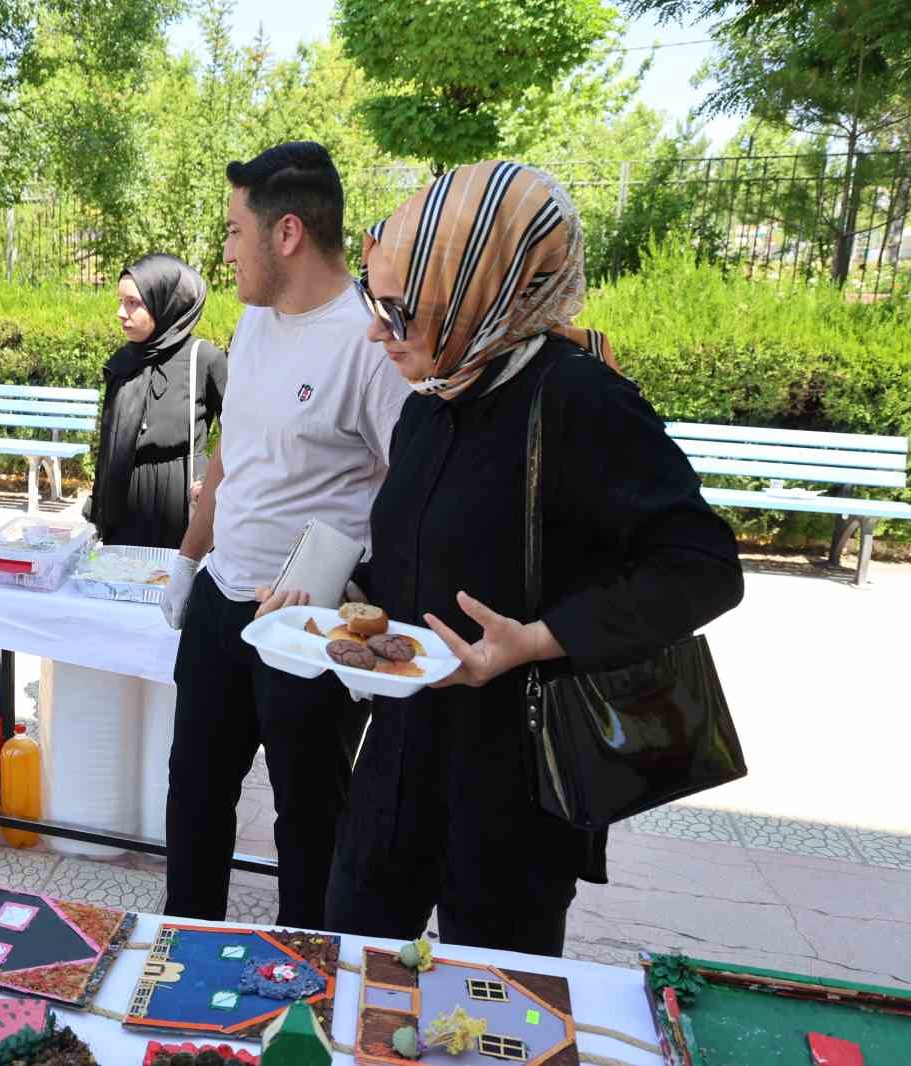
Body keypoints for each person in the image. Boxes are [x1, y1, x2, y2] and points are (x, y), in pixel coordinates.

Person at [262, 160, 745, 955]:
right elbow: (419, 563)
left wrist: (539, 637)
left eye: (402, 313)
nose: (378, 336)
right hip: (401, 749)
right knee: (352, 962)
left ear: (480, 293)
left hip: (513, 773)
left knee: (493, 1008)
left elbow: (702, 565)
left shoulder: (579, 400)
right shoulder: (434, 399)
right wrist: (331, 598)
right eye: (375, 309)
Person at [156, 142, 411, 928]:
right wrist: (189, 558)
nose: (226, 250)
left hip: (307, 622)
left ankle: (310, 967)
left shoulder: (370, 347)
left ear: (287, 232)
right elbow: (232, 452)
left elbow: (409, 496)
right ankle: (186, 947)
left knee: (311, 819)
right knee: (194, 794)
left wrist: (362, 602)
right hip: (223, 601)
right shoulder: (256, 323)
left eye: (235, 230)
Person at [86, 254, 227, 549]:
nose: (120, 313)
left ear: (165, 302)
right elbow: (109, 444)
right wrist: (98, 504)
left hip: (181, 501)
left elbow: (241, 433)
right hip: (126, 503)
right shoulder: (123, 362)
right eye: (120, 301)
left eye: (133, 303)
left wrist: (216, 483)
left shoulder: (203, 358)